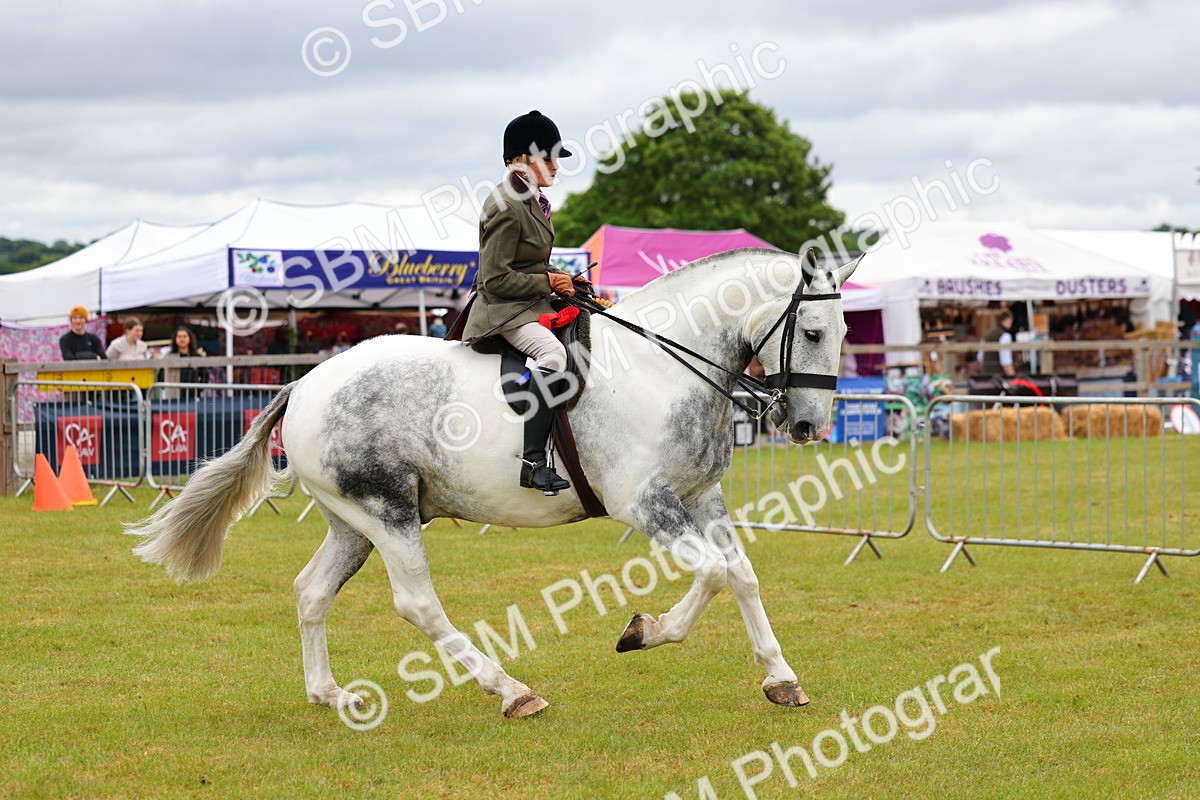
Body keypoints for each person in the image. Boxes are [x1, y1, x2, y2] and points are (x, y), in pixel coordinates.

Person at [461, 110, 589, 494]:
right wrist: (548, 281)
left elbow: (530, 263)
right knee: (553, 356)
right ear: (519, 160)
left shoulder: (531, 201)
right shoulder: (506, 205)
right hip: (502, 310)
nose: (555, 167)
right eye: (547, 157)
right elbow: (496, 278)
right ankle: (533, 462)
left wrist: (566, 280)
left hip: (528, 303)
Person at [980, 310, 1016, 377]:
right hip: (999, 378)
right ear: (1007, 319)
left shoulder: (987, 334)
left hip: (987, 377)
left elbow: (980, 358)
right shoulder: (1005, 336)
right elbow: (1006, 362)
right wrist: (1013, 377)